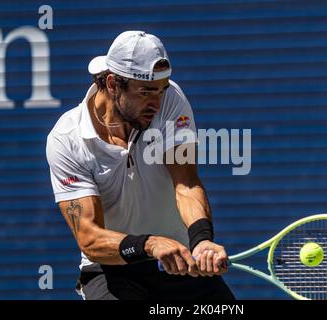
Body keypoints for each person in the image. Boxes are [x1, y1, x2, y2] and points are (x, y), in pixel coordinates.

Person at [46, 30, 235, 300]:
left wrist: (201, 239)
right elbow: (88, 237)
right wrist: (149, 244)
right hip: (113, 270)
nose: (156, 104)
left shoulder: (171, 101)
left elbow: (186, 183)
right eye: (145, 92)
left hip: (180, 262)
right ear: (112, 84)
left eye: (161, 90)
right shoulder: (67, 139)